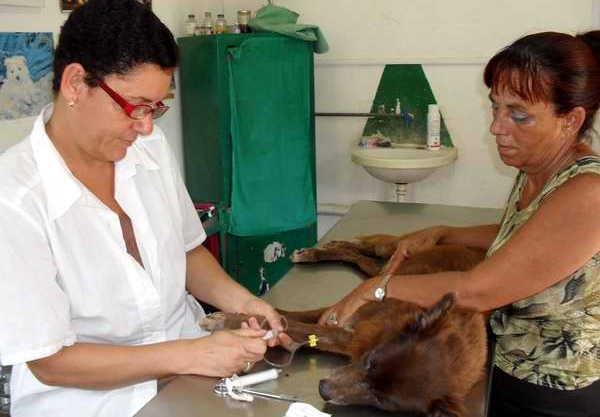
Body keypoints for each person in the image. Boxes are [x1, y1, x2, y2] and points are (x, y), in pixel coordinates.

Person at [0, 1, 286, 416]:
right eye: (133, 106)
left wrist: (243, 303)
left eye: (156, 108)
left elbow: (186, 253)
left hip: (190, 381)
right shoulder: (14, 198)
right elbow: (50, 362)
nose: (147, 125)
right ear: (76, 83)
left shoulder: (147, 148)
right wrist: (190, 355)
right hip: (88, 403)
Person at [321, 31, 600, 417]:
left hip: (551, 393)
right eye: (496, 108)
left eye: (519, 115)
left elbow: (477, 291)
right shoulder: (537, 168)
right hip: (508, 364)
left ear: (570, 120)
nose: (497, 127)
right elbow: (522, 239)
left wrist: (377, 288)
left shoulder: (587, 193)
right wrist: (444, 234)